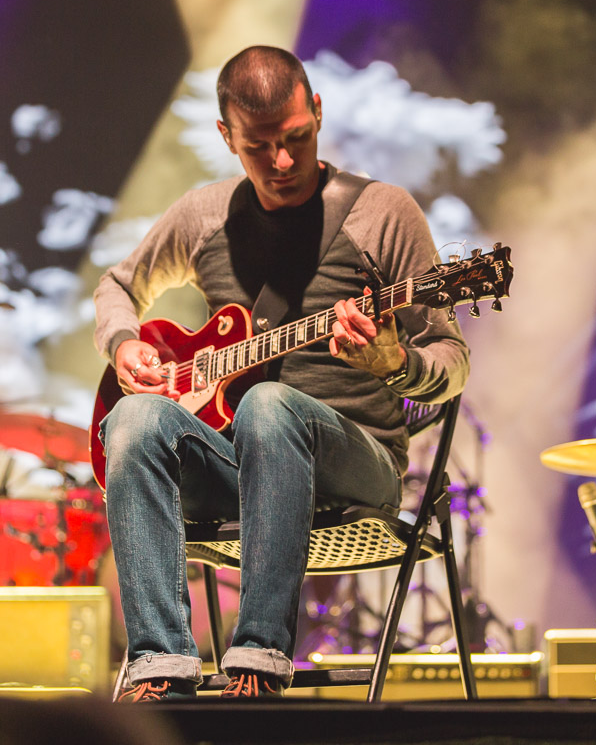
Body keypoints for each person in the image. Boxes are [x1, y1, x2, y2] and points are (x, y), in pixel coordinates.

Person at [93, 45, 469, 700]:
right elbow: (118, 287)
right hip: (242, 473)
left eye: (296, 138)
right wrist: (123, 342)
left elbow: (451, 362)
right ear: (226, 136)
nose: (283, 161)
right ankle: (161, 666)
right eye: (259, 146)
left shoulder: (381, 214)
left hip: (357, 466)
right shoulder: (205, 215)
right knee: (132, 419)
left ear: (317, 112)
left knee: (268, 403)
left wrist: (395, 362)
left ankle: (260, 657)